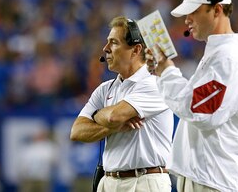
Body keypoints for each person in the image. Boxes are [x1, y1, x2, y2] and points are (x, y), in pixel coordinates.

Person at [145, 0, 238, 192]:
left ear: (217, 10)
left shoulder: (229, 58)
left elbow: (199, 110)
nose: (187, 19)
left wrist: (167, 71)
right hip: (204, 177)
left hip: (212, 180)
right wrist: (163, 71)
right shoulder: (219, 54)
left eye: (193, 11)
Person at [70, 16, 174, 192]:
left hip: (145, 181)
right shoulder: (105, 89)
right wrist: (115, 127)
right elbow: (77, 131)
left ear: (135, 50)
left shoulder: (155, 84)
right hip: (109, 181)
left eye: (114, 43)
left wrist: (97, 115)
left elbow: (113, 116)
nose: (105, 49)